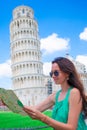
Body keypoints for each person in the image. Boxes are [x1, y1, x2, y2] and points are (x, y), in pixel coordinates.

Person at [23, 57, 87, 130]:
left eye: (56, 73)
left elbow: (71, 128)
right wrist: (11, 103)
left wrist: (43, 118)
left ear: (67, 73)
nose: (53, 76)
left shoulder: (74, 93)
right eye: (51, 73)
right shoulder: (54, 96)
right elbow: (34, 110)